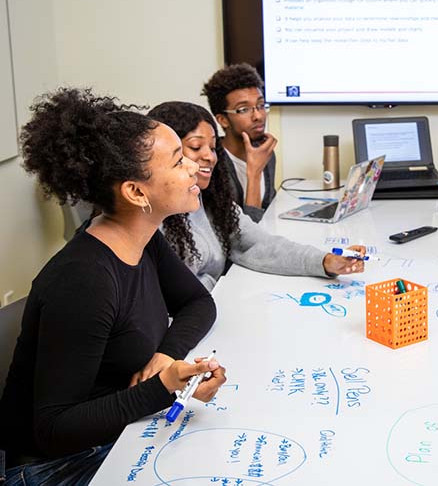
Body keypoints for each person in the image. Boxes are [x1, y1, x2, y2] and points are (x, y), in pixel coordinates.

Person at [0, 88, 226, 485]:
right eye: (178, 161)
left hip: (117, 435)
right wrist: (166, 387)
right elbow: (53, 428)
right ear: (136, 192)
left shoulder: (144, 238)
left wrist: (166, 356)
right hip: (50, 466)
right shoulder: (83, 280)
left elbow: (197, 302)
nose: (194, 168)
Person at [147, 102, 366, 290]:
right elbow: (176, 296)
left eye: (213, 148)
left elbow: (259, 243)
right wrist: (228, 287)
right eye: (195, 147)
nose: (209, 157)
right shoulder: (155, 218)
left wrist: (325, 261)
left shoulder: (213, 199)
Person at [201, 63, 277, 222]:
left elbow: (268, 214)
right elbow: (244, 238)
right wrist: (254, 173)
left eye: (261, 105)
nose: (258, 116)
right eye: (244, 109)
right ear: (222, 120)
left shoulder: (265, 152)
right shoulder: (213, 165)